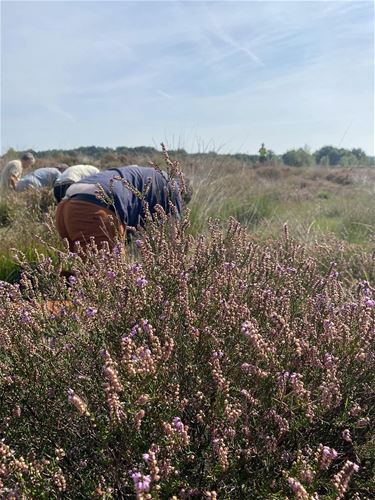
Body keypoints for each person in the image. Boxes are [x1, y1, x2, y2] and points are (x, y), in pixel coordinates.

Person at [55, 165, 189, 252]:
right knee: (112, 281)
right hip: (93, 208)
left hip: (65, 205)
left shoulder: (146, 174)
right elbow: (174, 238)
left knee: (85, 278)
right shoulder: (173, 188)